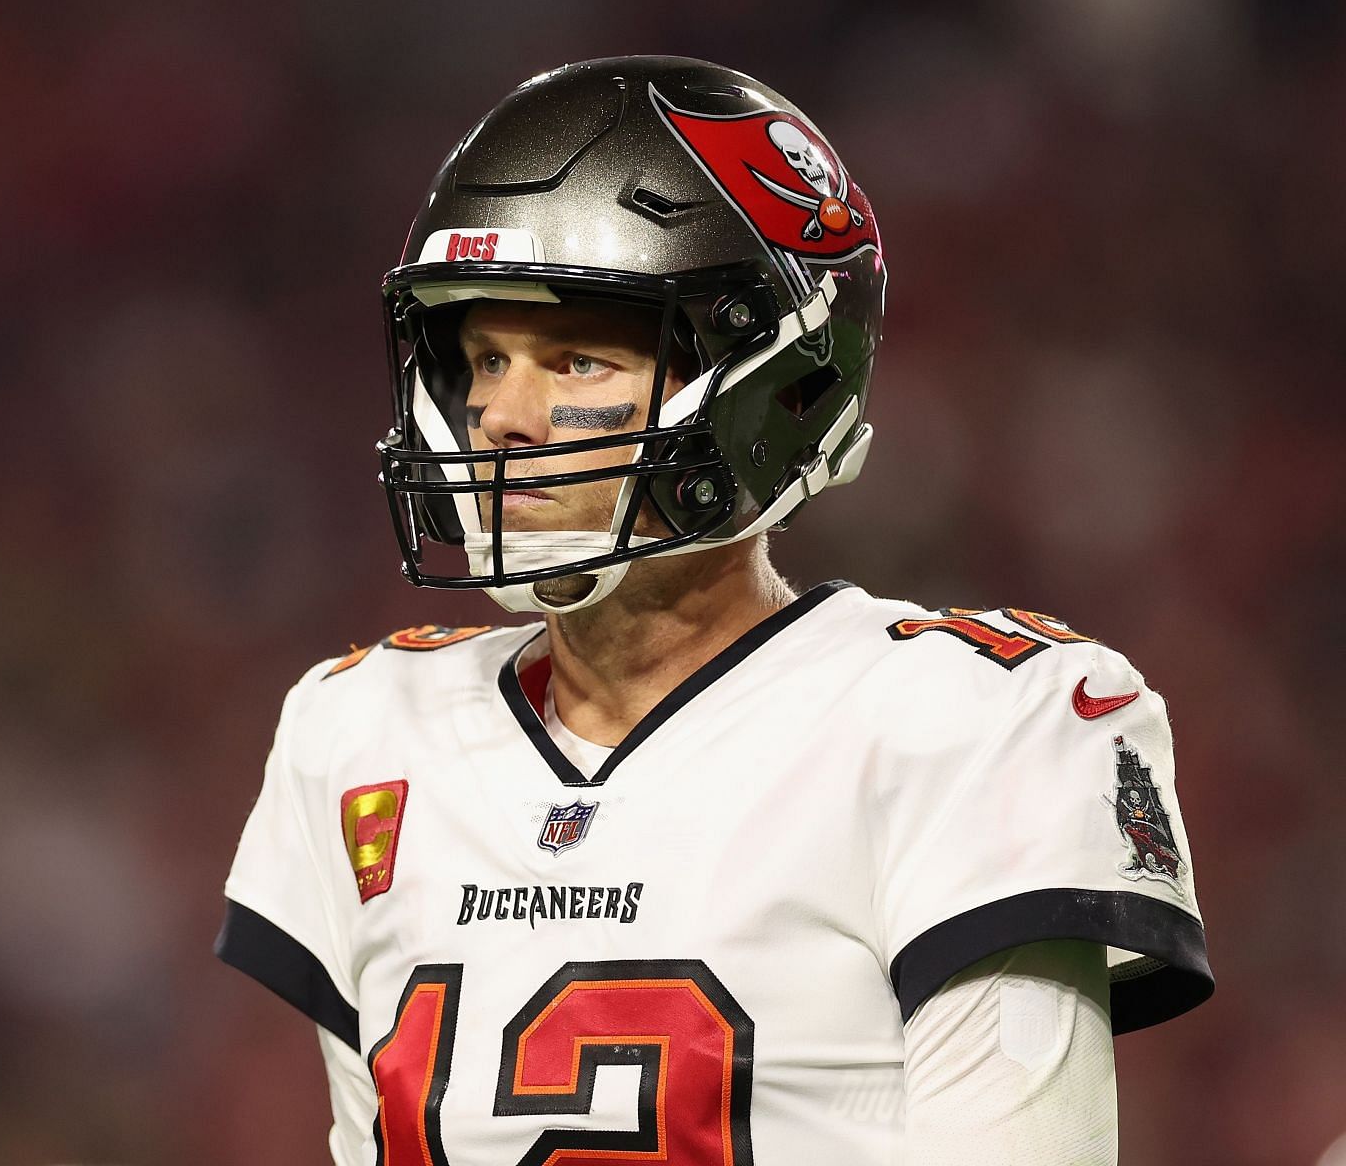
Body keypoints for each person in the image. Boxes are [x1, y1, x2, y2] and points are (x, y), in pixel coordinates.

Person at [216, 57, 1211, 1165]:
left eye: (575, 355)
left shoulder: (970, 723)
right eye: (484, 356)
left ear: (777, 387)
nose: (500, 411)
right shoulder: (358, 734)